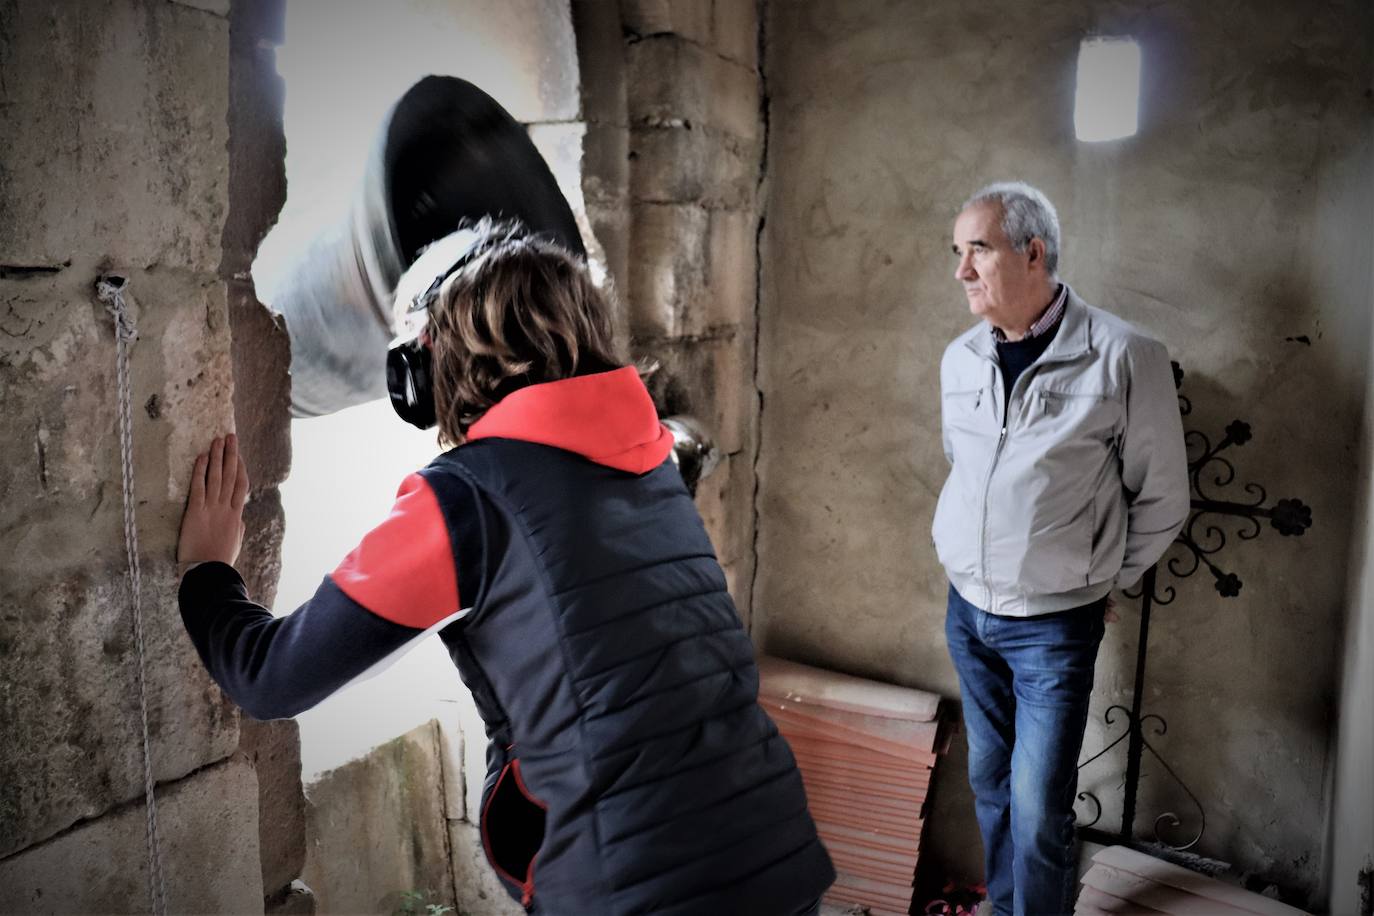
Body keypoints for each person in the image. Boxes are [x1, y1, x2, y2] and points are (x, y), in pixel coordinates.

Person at [176, 220, 834, 916]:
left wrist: (207, 570)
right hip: (774, 857)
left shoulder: (468, 498)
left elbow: (272, 677)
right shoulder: (649, 461)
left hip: (641, 890)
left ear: (428, 368)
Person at [931, 183, 1189, 915]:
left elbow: (1164, 496)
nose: (961, 271)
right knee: (988, 785)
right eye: (958, 253)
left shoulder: (1123, 355)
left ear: (1032, 252)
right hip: (967, 613)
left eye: (976, 249)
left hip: (1052, 626)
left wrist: (1108, 576)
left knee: (1038, 808)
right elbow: (965, 469)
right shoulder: (960, 359)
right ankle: (1010, 907)